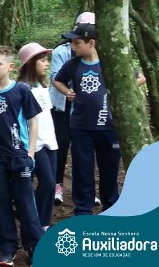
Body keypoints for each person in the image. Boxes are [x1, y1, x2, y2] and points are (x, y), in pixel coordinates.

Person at [0, 46, 43, 265]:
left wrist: (30, 152)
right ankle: (7, 247)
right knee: (0, 201)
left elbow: (33, 122)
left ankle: (35, 247)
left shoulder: (22, 91)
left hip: (19, 155)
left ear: (10, 66)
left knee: (26, 202)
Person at [52, 23, 124, 216]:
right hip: (81, 127)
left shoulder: (109, 63)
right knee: (82, 170)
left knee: (109, 170)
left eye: (77, 43)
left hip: (107, 126)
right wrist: (67, 92)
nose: (73, 46)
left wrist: (119, 93)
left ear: (91, 43)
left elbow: (138, 77)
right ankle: (83, 211)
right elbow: (57, 80)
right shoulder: (73, 64)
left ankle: (111, 207)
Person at [49, 11, 94, 205]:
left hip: (87, 108)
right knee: (61, 143)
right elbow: (55, 77)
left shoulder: (101, 55)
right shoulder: (61, 52)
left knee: (83, 147)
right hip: (62, 105)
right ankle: (57, 184)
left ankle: (85, 188)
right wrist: (69, 92)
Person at [17, 42, 58, 231]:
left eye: (47, 60)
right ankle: (35, 222)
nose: (46, 64)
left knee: (51, 184)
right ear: (31, 63)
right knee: (46, 181)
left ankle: (45, 223)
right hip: (35, 143)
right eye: (42, 60)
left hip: (50, 141)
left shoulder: (42, 85)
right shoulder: (22, 88)